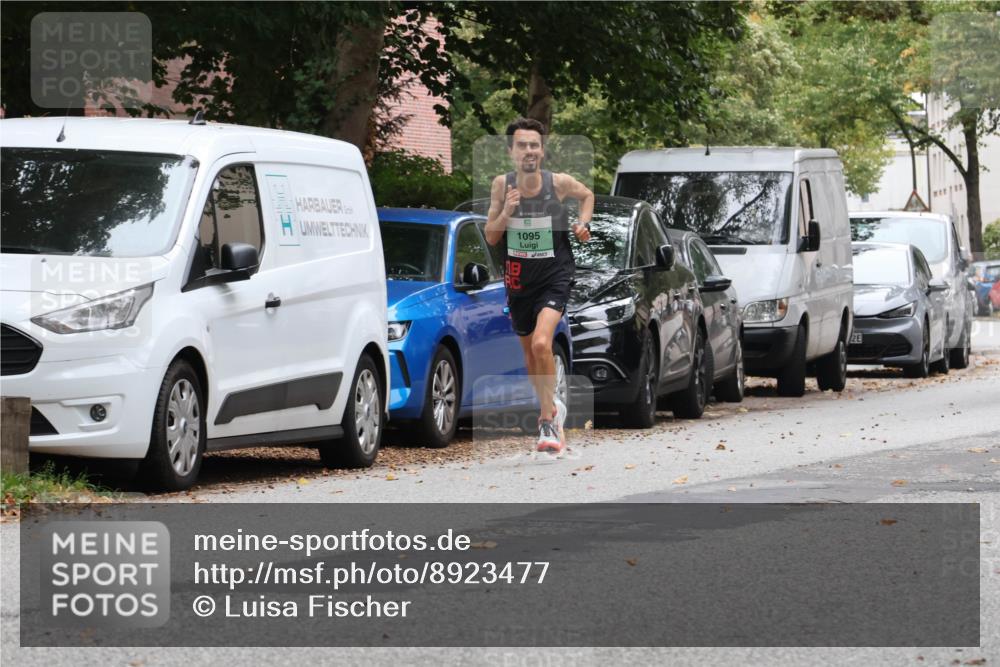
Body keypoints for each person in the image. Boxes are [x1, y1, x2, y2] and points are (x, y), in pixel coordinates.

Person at [484, 118, 594, 454]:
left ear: (542, 150)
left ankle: (548, 418)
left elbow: (587, 195)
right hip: (518, 280)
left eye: (534, 144)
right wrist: (507, 212)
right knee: (531, 357)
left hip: (554, 275)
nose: (529, 150)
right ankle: (550, 409)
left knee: (542, 344)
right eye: (522, 145)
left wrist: (582, 224)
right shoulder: (502, 186)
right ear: (511, 151)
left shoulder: (557, 184)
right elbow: (491, 235)